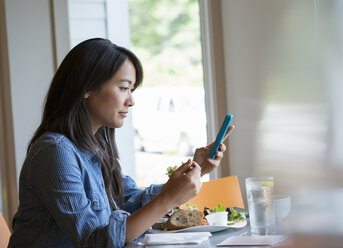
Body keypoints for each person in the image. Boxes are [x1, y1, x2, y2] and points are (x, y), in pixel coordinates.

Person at [8, 38, 234, 248]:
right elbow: (94, 241)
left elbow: (129, 200)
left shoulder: (95, 147)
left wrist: (195, 171)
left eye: (132, 90)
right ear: (87, 87)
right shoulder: (55, 152)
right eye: (124, 88)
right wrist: (168, 199)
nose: (131, 100)